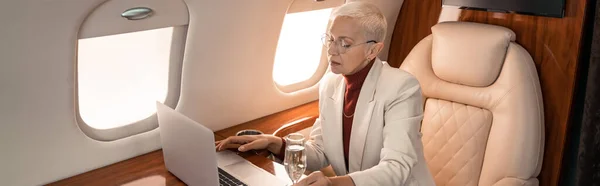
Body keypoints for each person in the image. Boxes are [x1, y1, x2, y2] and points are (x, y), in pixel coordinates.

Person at [216, 2, 435, 186]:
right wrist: (275, 144)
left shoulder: (402, 87)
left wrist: (333, 183)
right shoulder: (330, 84)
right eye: (330, 39)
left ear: (373, 50)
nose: (331, 50)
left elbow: (397, 168)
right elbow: (320, 152)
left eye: (345, 44)